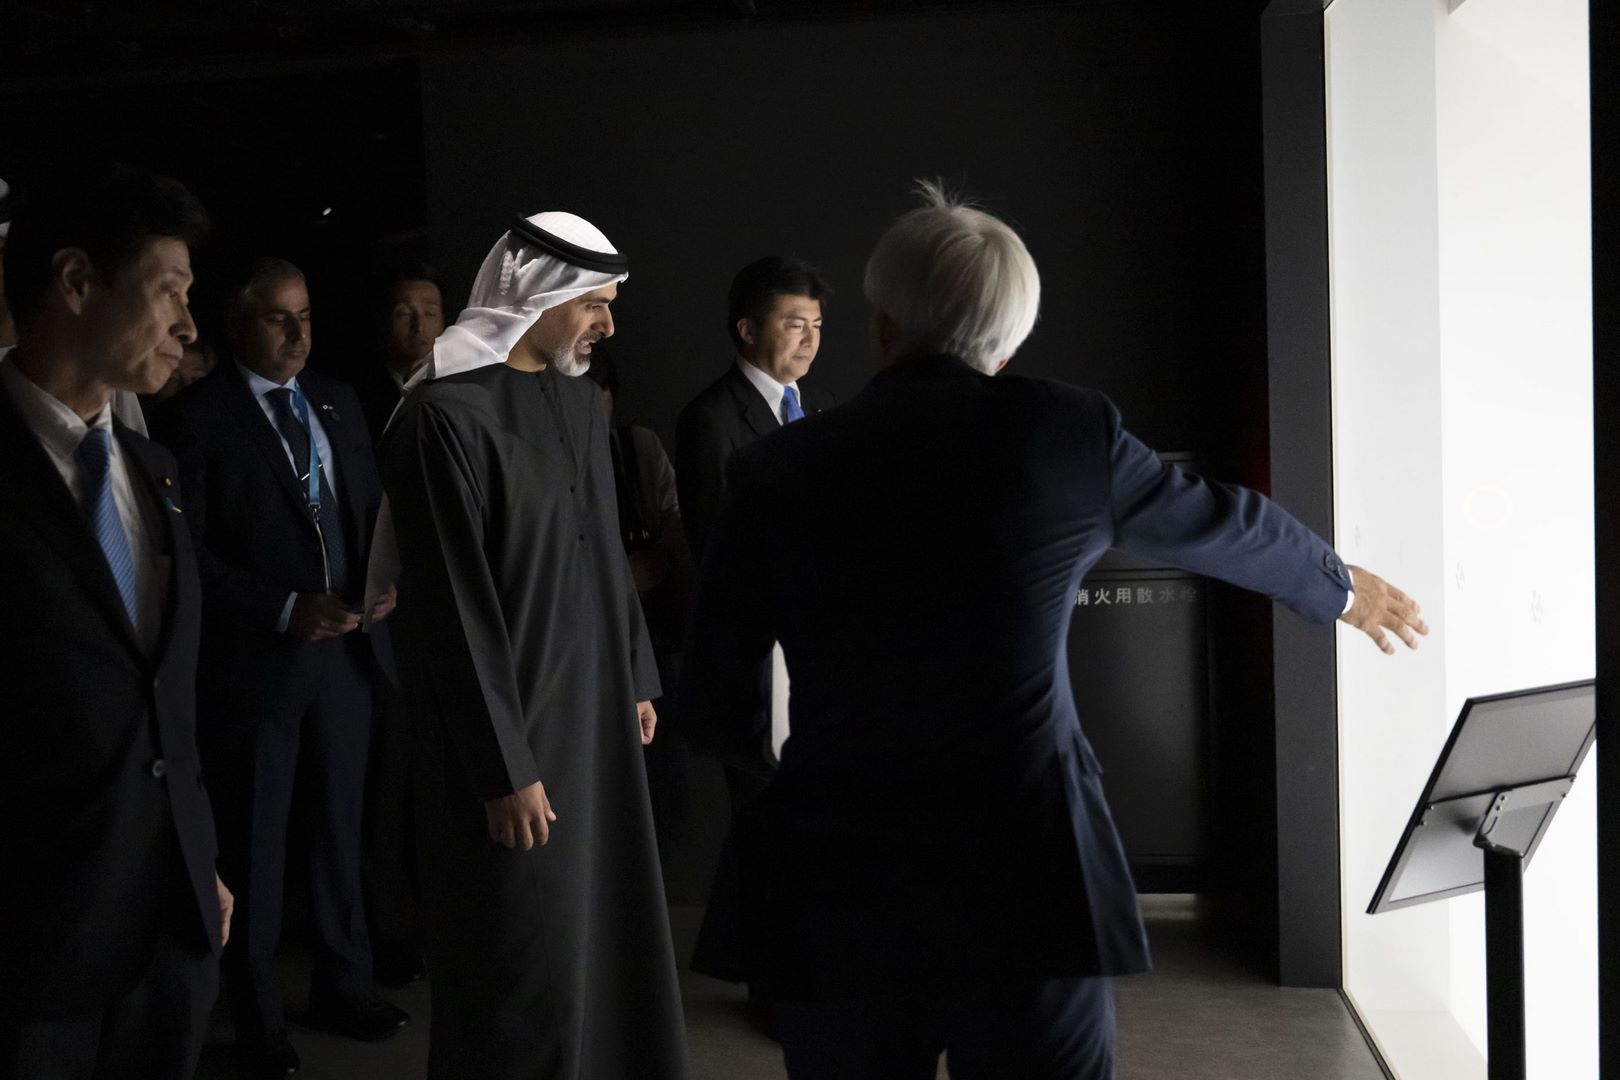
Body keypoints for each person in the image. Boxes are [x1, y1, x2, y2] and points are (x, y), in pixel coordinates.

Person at [679, 182, 1429, 1080]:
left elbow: (716, 699)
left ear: (881, 327)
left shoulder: (775, 468)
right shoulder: (1069, 434)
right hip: (1029, 862)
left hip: (840, 872)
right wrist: (1340, 588)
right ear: (1008, 344)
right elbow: (1227, 524)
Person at [376, 212, 687, 1079]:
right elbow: (451, 616)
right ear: (536, 296)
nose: (607, 327)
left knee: (605, 938)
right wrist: (502, 769)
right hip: (513, 739)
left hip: (594, 721)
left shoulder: (580, 403)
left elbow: (605, 557)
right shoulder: (442, 417)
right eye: (594, 305)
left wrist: (635, 676)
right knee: (520, 959)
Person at [0, 162, 231, 1080]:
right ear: (75, 281)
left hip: (169, 931)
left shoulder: (152, 469)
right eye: (169, 291)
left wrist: (196, 856)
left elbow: (160, 691)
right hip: (31, 952)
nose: (189, 325)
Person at [155, 258, 405, 1078]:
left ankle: (345, 987)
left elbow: (370, 510)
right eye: (277, 319)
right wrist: (281, 608)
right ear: (236, 325)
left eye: (305, 317)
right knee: (256, 847)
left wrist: (385, 581)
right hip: (256, 667)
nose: (298, 335)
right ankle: (257, 1019)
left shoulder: (338, 400)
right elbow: (186, 555)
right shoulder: (197, 418)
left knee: (341, 832)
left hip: (350, 656)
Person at [675, 255, 834, 1007]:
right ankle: (773, 989)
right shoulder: (711, 419)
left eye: (817, 325)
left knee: (792, 819)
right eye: (793, 323)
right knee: (766, 819)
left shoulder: (815, 408)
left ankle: (765, 966)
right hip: (752, 659)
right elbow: (718, 553)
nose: (809, 338)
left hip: (812, 657)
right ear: (747, 328)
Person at [586, 343, 697, 867]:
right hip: (584, 631)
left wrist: (657, 558)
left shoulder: (636, 447)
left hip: (651, 625)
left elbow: (678, 515)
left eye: (599, 396)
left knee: (660, 755)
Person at [357, 265, 447, 444]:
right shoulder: (359, 396)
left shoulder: (456, 386)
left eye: (430, 313)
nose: (419, 326)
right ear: (383, 320)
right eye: (405, 314)